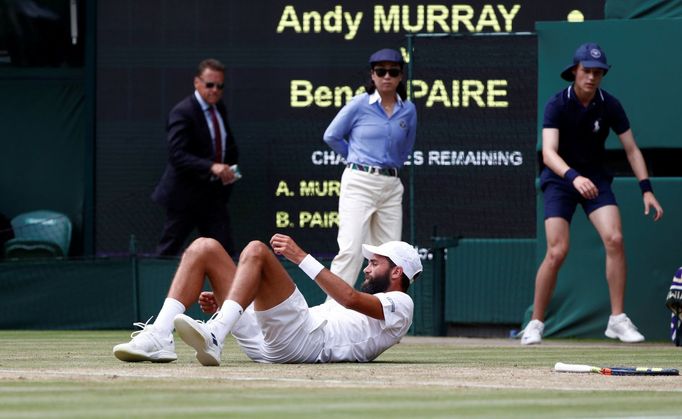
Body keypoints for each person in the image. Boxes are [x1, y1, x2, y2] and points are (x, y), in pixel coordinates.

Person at [520, 43, 664, 345]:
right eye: (587, 71)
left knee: (615, 239)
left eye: (598, 72)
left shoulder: (609, 105)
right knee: (557, 251)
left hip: (595, 180)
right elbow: (548, 153)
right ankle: (535, 323)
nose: (592, 77)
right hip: (561, 180)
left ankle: (617, 320)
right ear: (575, 71)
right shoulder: (556, 104)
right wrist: (573, 177)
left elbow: (631, 149)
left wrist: (646, 189)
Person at [113, 233, 422, 365]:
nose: (367, 268)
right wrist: (228, 305)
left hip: (306, 343)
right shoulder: (377, 302)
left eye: (375, 263)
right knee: (203, 247)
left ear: (397, 272)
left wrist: (301, 256)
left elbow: (351, 298)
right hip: (274, 341)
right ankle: (160, 336)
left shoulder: (402, 306)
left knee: (257, 251)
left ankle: (215, 335)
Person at [323, 48, 417, 288]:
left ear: (400, 77)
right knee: (351, 249)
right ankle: (333, 314)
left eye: (393, 71)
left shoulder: (408, 109)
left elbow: (406, 147)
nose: (387, 76)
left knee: (389, 254)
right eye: (381, 71)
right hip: (359, 181)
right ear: (372, 76)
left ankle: (384, 315)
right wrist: (355, 159)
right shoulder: (358, 104)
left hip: (391, 185)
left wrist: (390, 167)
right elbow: (332, 136)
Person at [151, 58, 239, 256]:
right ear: (196, 82)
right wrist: (211, 166)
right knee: (168, 251)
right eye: (209, 85)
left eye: (220, 86)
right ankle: (156, 287)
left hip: (212, 196)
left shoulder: (219, 109)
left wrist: (231, 170)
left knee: (225, 252)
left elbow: (228, 145)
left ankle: (229, 289)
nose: (215, 90)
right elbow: (177, 155)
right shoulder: (183, 112)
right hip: (185, 196)